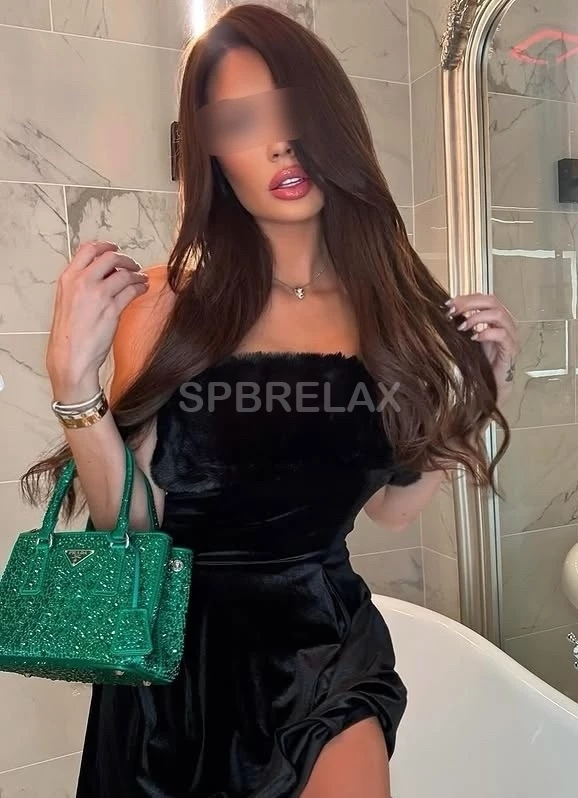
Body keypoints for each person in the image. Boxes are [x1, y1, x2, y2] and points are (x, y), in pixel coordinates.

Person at [21, 4, 518, 797]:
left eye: (293, 110)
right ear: (214, 153)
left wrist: (478, 392)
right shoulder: (164, 307)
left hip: (326, 652)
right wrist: (73, 386)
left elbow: (391, 509)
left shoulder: (391, 312)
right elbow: (134, 522)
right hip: (176, 664)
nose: (280, 142)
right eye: (241, 122)